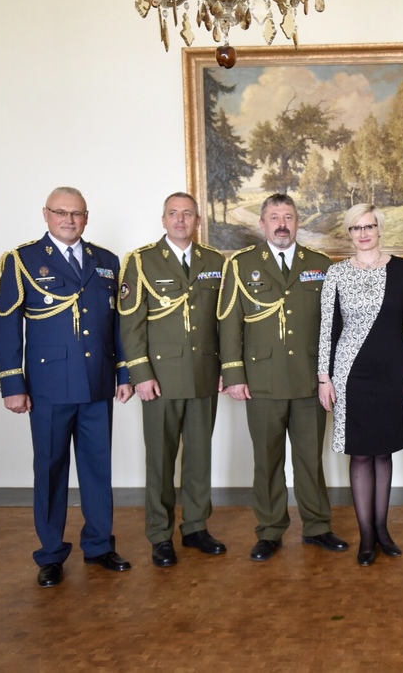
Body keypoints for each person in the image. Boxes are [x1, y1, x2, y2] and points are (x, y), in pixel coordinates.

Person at [0, 186, 134, 587]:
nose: (69, 220)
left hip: (97, 383)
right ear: (46, 214)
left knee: (97, 469)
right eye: (61, 212)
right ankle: (51, 554)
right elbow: (7, 325)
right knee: (51, 470)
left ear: (86, 218)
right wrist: (12, 384)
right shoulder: (22, 260)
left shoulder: (106, 261)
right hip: (49, 386)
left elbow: (118, 325)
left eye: (77, 213)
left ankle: (99, 545)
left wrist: (124, 374)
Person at [218, 193, 349, 562]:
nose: (281, 224)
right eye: (274, 217)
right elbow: (229, 322)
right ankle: (270, 530)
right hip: (262, 381)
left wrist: (332, 375)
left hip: (309, 381)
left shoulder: (319, 264)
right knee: (267, 461)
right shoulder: (242, 265)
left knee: (309, 460)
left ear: (297, 222)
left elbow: (334, 324)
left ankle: (317, 527)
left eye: (288, 217)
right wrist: (233, 374)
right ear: (262, 224)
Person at [118, 191, 228, 567]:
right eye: (173, 213)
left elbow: (223, 321)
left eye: (188, 214)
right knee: (161, 460)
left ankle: (195, 527)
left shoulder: (215, 261)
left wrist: (225, 369)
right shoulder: (141, 261)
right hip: (160, 378)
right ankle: (160, 534)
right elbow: (131, 322)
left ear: (198, 221)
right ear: (163, 220)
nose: (180, 220)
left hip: (203, 374)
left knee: (199, 457)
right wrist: (140, 374)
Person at [317, 204, 403, 566]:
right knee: (361, 452)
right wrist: (324, 377)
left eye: (369, 226)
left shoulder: (402, 269)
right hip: (350, 375)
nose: (363, 233)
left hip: (394, 373)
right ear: (349, 233)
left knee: (383, 451)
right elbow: (327, 329)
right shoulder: (336, 273)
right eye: (356, 228)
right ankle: (366, 537)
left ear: (380, 229)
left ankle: (382, 530)